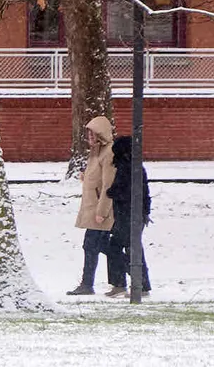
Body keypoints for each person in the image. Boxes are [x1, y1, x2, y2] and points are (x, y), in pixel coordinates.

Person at [66, 116, 126, 296]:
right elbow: (98, 178)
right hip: (93, 208)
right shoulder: (96, 152)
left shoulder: (108, 153)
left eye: (93, 133)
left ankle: (133, 274)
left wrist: (102, 211)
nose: (90, 136)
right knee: (96, 246)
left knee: (96, 245)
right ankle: (120, 279)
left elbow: (109, 184)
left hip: (101, 211)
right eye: (89, 133)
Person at [105, 135, 151, 297]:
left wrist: (109, 192)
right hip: (135, 214)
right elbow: (144, 192)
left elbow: (121, 191)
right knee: (130, 248)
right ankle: (133, 282)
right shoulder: (136, 166)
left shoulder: (125, 167)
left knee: (119, 247)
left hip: (127, 214)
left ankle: (137, 282)